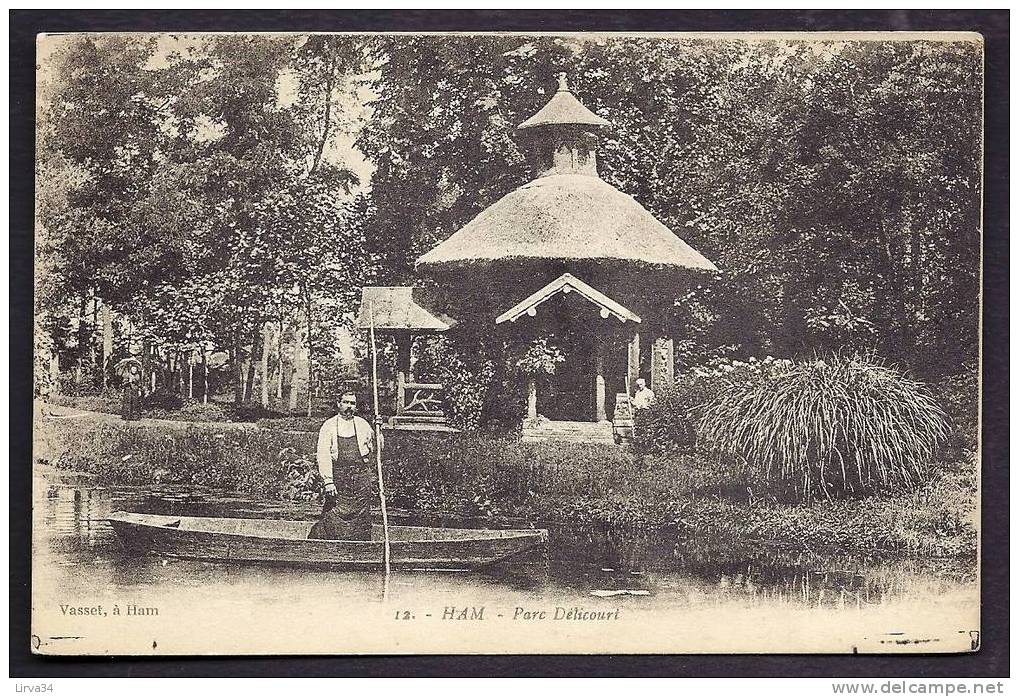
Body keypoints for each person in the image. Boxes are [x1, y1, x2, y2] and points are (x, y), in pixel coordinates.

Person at [309, 390, 384, 541]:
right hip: (339, 479)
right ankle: (328, 548)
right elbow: (323, 454)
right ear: (339, 404)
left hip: (360, 479)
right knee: (332, 515)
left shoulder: (363, 424)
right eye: (346, 402)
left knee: (362, 516)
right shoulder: (329, 426)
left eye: (352, 403)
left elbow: (377, 449)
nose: (349, 406)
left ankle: (359, 549)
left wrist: (378, 430)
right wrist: (328, 481)